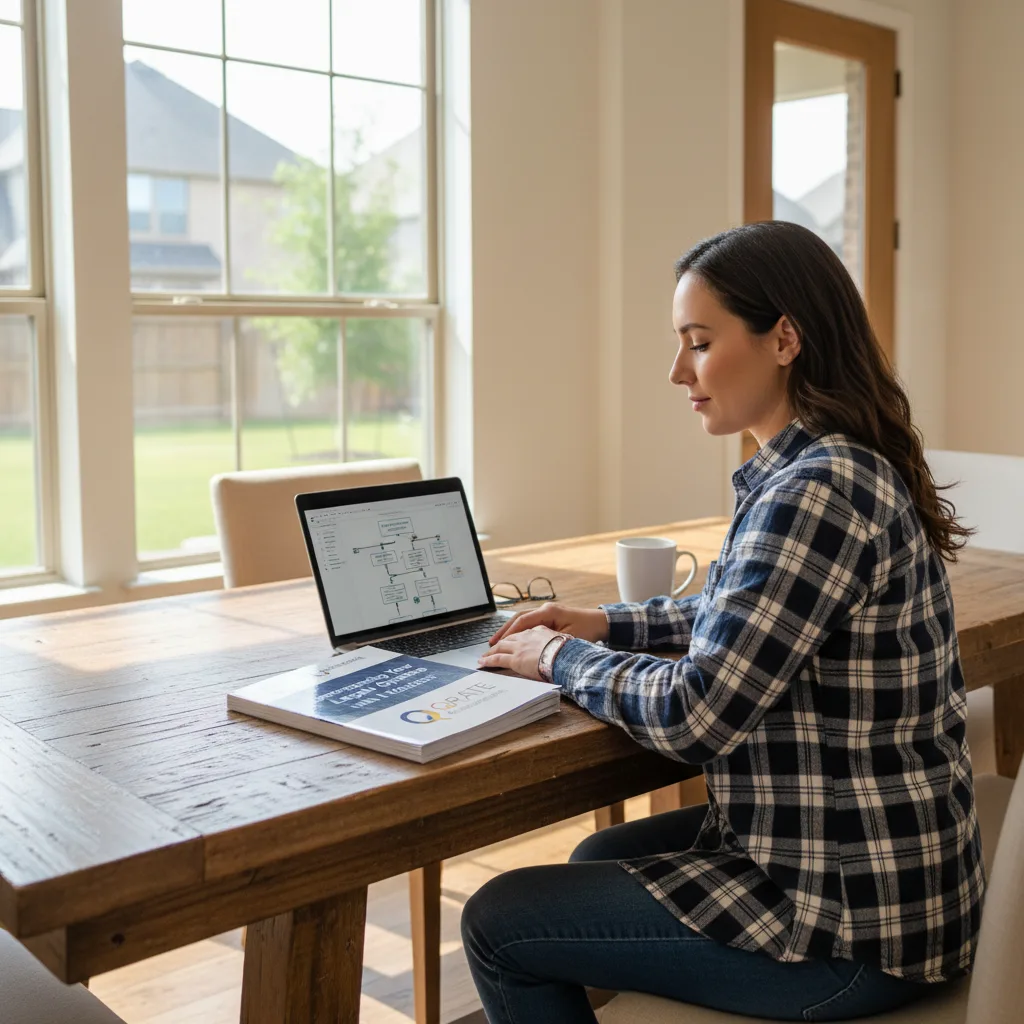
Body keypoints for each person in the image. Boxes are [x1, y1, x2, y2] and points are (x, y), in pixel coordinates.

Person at [464, 221, 983, 1023]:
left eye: (698, 343)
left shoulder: (812, 493)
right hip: (887, 882)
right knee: (602, 853)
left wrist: (558, 658)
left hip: (851, 936)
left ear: (784, 339)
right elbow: (743, 613)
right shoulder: (837, 464)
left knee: (498, 920)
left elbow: (695, 713)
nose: (678, 371)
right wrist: (603, 622)